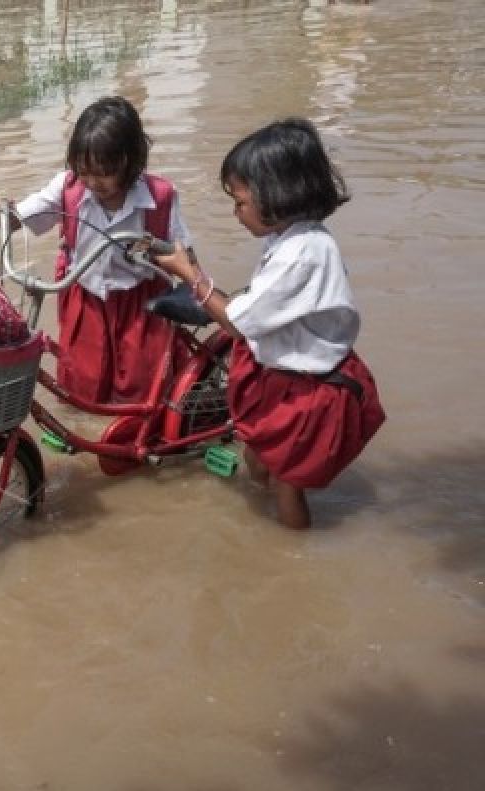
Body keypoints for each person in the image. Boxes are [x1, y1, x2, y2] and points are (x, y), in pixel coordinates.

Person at [152, 117, 386, 529]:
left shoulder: (303, 253)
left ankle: (293, 550)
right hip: (282, 374)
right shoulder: (296, 238)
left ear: (277, 198)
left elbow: (237, 325)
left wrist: (192, 275)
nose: (236, 212)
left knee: (286, 481)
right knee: (260, 459)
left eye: (240, 202)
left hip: (305, 388)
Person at [0, 95, 193, 405]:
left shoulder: (160, 197)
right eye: (85, 171)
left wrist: (196, 287)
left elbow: (183, 252)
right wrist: (5, 216)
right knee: (82, 378)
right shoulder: (68, 187)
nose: (93, 182)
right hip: (86, 298)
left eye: (104, 173)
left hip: (139, 298)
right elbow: (28, 213)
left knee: (141, 383)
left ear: (129, 161)